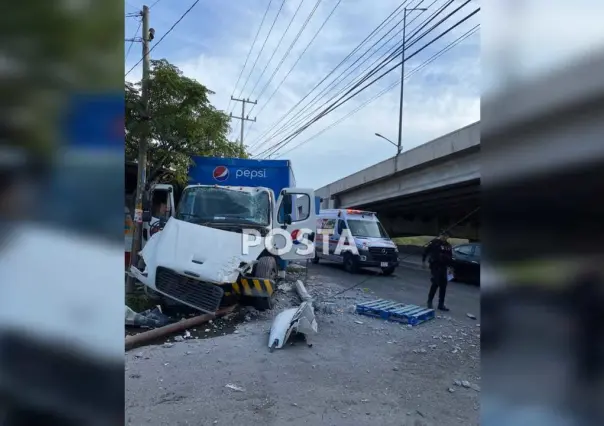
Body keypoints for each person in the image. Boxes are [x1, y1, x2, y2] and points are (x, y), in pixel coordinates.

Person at [422, 232, 453, 311]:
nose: (444, 237)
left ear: (448, 237)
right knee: (435, 283)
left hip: (444, 267)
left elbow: (450, 257)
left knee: (443, 286)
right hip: (435, 266)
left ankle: (441, 304)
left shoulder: (448, 246)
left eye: (446, 236)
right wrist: (423, 261)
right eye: (443, 235)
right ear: (440, 235)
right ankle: (429, 301)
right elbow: (426, 251)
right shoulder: (435, 243)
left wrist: (450, 268)